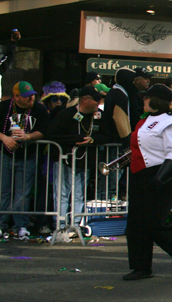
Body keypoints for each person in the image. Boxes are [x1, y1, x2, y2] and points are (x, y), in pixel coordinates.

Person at [122, 84, 172, 280]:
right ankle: (141, 267)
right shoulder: (145, 121)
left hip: (162, 175)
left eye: (146, 97)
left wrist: (159, 179)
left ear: (156, 100)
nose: (143, 100)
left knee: (154, 222)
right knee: (136, 224)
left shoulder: (171, 123)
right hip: (140, 174)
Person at [47, 86, 102, 231]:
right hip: (64, 160)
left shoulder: (100, 116)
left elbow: (108, 135)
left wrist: (92, 140)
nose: (98, 103)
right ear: (85, 100)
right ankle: (60, 225)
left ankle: (75, 225)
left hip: (85, 162)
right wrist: (76, 140)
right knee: (62, 193)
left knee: (79, 194)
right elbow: (53, 135)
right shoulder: (66, 114)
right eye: (95, 100)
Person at [0, 82, 50, 238]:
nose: (32, 98)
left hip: (28, 156)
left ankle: (20, 226)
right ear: (16, 96)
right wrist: (5, 139)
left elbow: (44, 130)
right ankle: (2, 224)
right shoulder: (3, 107)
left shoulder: (39, 109)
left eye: (33, 95)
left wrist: (28, 136)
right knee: (4, 191)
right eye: (27, 96)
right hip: (5, 154)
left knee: (23, 193)